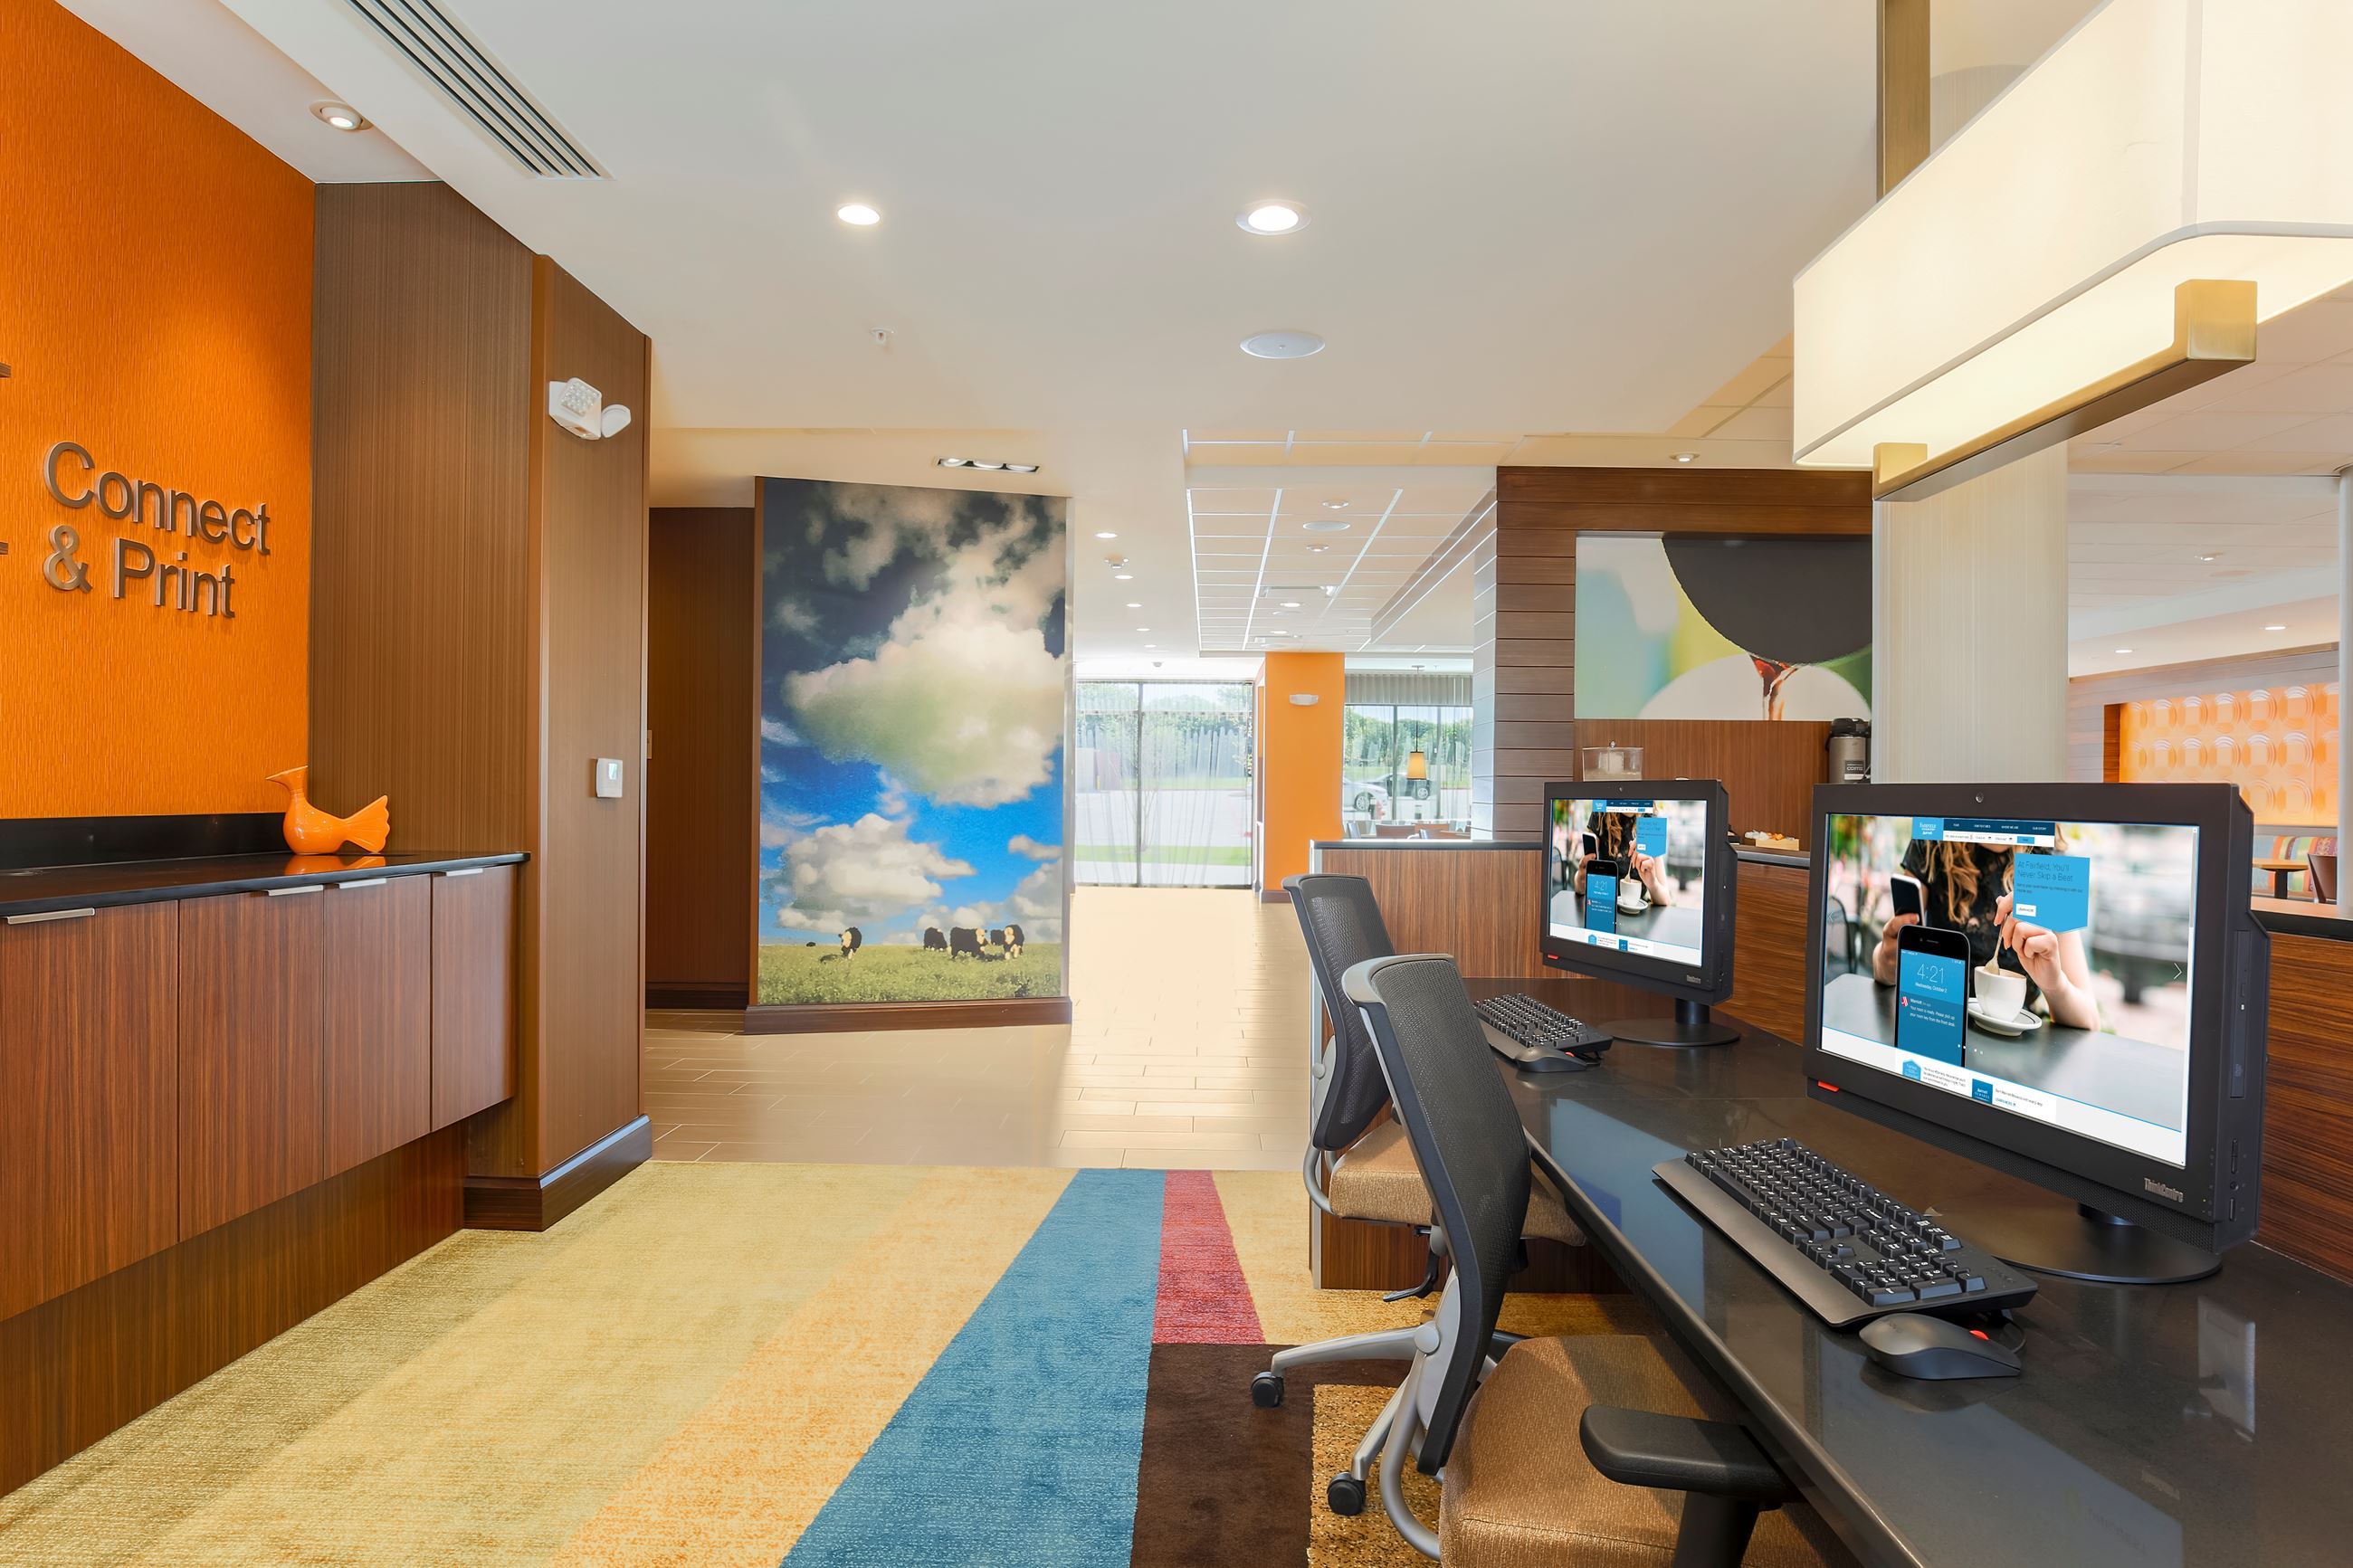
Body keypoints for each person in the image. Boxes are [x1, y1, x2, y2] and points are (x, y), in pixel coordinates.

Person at [1870, 838, 2100, 1030]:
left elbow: (2090, 1019)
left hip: (2013, 1052)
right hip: (1934, 1025)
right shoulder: (1933, 842)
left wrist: (2054, 984)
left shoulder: (2048, 856)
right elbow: (1885, 963)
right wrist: (1888, 961)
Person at [1569, 809, 1674, 908]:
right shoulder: (1601, 814)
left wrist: (1652, 884)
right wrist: (1581, 877)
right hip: (1603, 908)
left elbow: (1665, 900)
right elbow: (1580, 888)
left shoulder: (1650, 819)